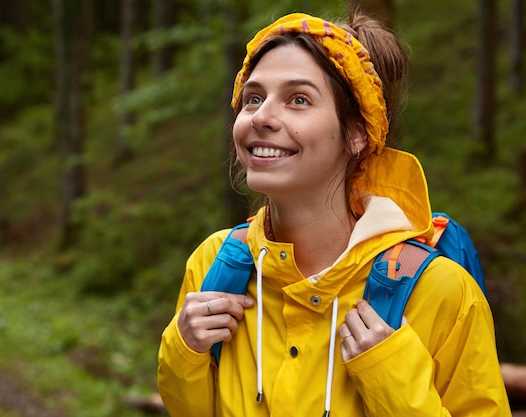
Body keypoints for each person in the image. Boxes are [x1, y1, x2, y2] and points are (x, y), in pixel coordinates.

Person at [158, 9, 511, 417]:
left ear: (358, 133)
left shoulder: (441, 292)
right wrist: (184, 350)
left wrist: (390, 379)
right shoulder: (216, 265)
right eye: (253, 98)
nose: (262, 117)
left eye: (299, 99)